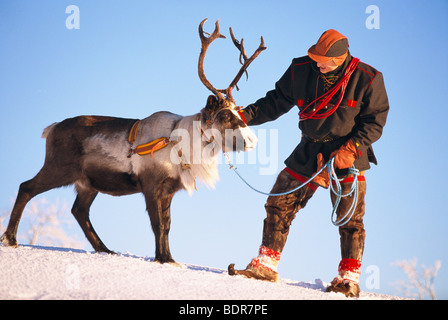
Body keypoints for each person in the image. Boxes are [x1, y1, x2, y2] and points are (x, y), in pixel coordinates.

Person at [229, 29, 389, 298]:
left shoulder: (369, 78)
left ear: (340, 59)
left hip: (347, 153)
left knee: (350, 217)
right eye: (315, 57)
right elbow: (275, 102)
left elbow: (375, 121)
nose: (317, 63)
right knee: (278, 201)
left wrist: (351, 148)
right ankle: (266, 264)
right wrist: (242, 116)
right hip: (309, 148)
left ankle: (348, 279)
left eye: (323, 60)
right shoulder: (300, 68)